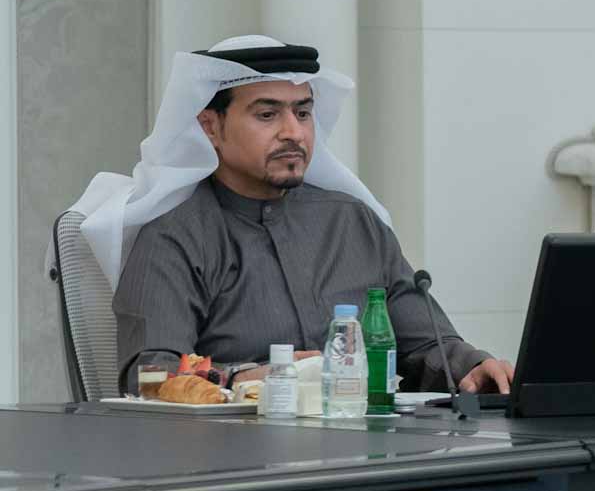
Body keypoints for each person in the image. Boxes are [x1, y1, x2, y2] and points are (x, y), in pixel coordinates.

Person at [69, 35, 513, 393]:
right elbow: (149, 376)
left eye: (303, 113)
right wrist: (243, 378)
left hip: (363, 453)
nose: (293, 132)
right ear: (211, 127)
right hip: (235, 460)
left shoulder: (352, 222)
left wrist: (472, 365)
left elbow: (426, 343)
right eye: (268, 114)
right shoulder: (175, 236)